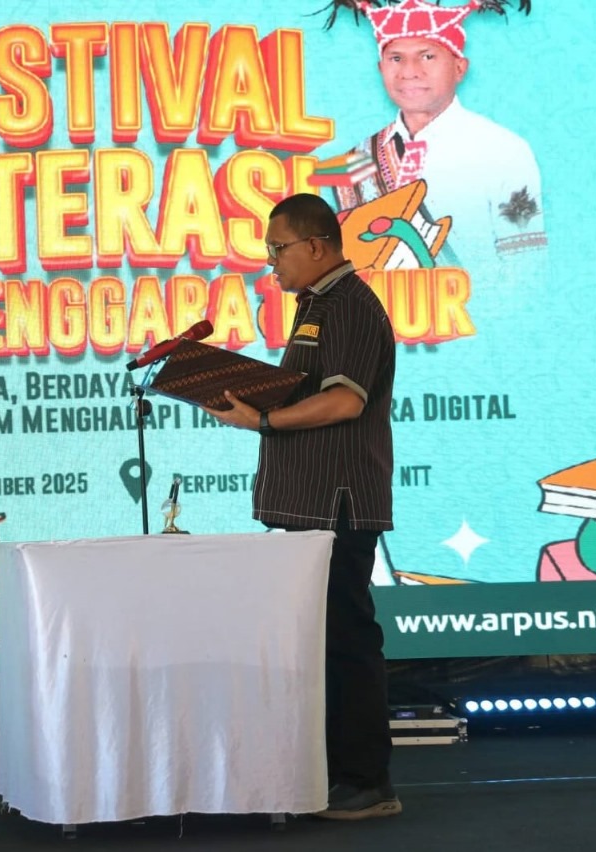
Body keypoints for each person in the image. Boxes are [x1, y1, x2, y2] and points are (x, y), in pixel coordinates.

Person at [204, 193, 399, 820]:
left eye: (278, 248)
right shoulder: (317, 305)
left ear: (316, 246)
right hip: (309, 503)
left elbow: (345, 401)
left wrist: (263, 419)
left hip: (336, 501)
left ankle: (367, 781)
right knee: (321, 641)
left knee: (346, 638)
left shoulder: (349, 306)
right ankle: (332, 773)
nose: (271, 261)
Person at [325, 0, 545, 265]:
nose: (409, 72)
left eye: (427, 56)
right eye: (396, 58)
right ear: (381, 68)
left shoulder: (502, 152)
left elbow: (527, 266)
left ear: (459, 68)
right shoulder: (357, 160)